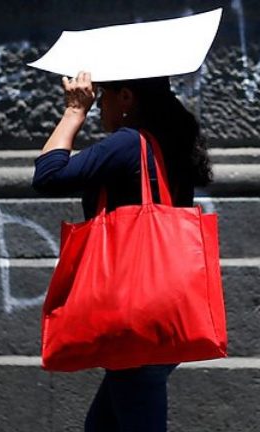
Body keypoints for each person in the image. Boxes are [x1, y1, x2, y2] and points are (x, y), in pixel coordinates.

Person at [32, 71, 213, 431]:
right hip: (163, 314)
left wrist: (73, 111)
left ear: (127, 98)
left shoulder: (129, 144)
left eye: (103, 98)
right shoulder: (172, 144)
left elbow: (48, 175)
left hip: (134, 320)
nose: (98, 106)